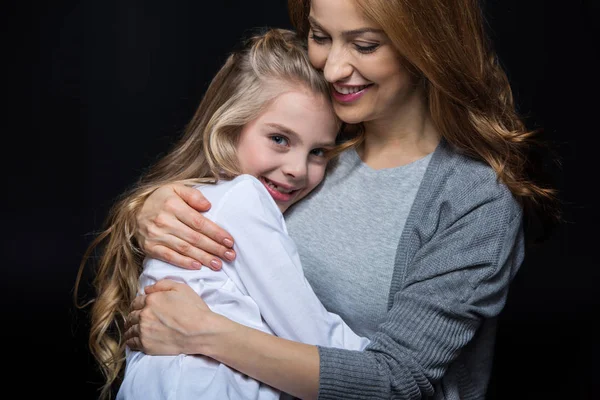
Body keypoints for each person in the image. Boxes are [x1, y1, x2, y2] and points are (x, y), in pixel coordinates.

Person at [125, 0, 560, 399]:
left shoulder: (472, 199)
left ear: (428, 46)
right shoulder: (315, 133)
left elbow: (397, 382)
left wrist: (203, 334)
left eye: (365, 45)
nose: (332, 69)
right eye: (319, 37)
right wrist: (153, 208)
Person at [75, 28, 370, 400]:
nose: (297, 168)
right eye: (280, 139)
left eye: (318, 152)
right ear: (230, 128)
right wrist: (380, 367)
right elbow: (310, 332)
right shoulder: (244, 200)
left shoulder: (196, 201)